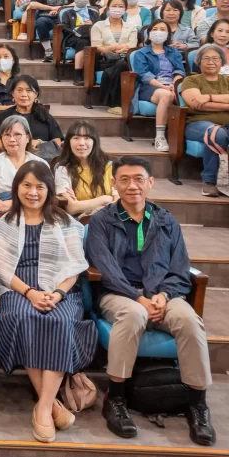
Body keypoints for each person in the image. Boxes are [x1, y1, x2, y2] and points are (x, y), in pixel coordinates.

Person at [86, 157, 216, 446]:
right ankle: (116, 399)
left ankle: (197, 403)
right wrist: (139, 298)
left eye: (139, 179)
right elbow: (104, 269)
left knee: (189, 320)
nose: (132, 186)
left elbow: (180, 268)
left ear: (150, 182)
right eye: (125, 179)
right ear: (114, 184)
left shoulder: (166, 220)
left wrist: (164, 295)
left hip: (162, 295)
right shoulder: (101, 221)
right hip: (119, 295)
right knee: (133, 315)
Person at [0, 160, 95, 442]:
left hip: (61, 288)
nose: (33, 192)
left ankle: (43, 407)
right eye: (26, 185)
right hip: (17, 288)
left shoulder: (66, 223)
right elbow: (1, 269)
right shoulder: (3, 224)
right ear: (16, 189)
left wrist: (58, 293)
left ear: (49, 190)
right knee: (25, 316)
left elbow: (74, 267)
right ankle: (51, 405)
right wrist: (30, 293)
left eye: (39, 186)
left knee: (60, 319)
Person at [180, 44, 229, 197]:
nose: (211, 62)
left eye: (215, 58)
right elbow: (195, 103)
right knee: (217, 133)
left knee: (221, 131)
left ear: (222, 62)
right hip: (197, 124)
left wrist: (208, 97)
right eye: (206, 58)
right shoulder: (191, 80)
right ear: (199, 62)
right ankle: (210, 181)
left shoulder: (227, 80)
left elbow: (202, 102)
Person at [133, 19, 185, 152]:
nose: (158, 32)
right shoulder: (141, 53)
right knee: (167, 95)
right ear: (149, 33)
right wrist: (164, 87)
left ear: (168, 34)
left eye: (163, 30)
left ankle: (182, 135)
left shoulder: (174, 52)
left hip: (172, 85)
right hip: (149, 86)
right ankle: (160, 137)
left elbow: (180, 71)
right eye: (155, 29)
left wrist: (175, 84)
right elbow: (144, 75)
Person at [0, 115, 47, 212]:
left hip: (34, 208)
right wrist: (2, 206)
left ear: (28, 138)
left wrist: (17, 205)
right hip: (2, 209)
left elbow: (47, 194)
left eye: (17, 134)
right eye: (7, 135)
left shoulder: (40, 163)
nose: (12, 139)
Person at [53, 120, 117, 214]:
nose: (81, 143)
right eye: (76, 138)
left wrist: (80, 204)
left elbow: (119, 204)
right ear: (68, 142)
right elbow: (72, 208)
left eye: (87, 138)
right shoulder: (63, 169)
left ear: (94, 142)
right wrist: (106, 199)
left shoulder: (111, 166)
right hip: (81, 221)